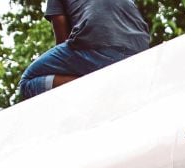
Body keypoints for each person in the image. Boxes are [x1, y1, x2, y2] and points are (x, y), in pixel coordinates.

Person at [18, 0, 150, 100]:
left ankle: (96, 87)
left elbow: (61, 38)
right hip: (140, 51)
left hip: (97, 44)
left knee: (27, 82)